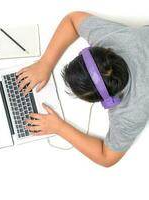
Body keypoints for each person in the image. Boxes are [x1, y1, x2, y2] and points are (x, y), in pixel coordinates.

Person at [16, 11, 149, 167]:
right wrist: (45, 63)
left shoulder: (132, 112)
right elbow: (73, 20)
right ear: (105, 51)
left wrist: (59, 127)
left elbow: (107, 158)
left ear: (108, 101)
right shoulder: (114, 38)